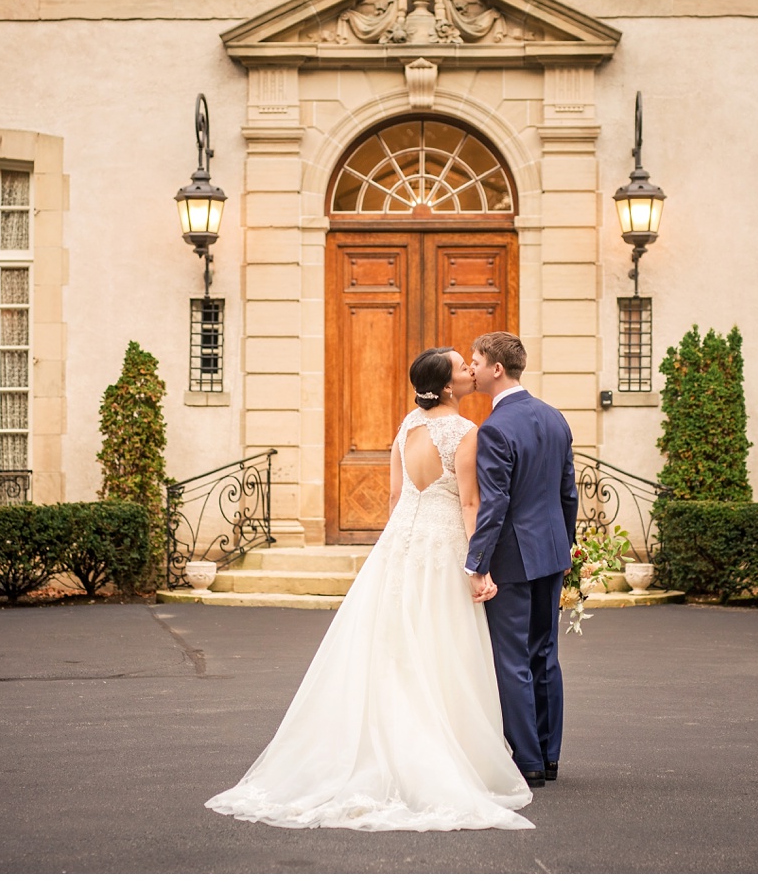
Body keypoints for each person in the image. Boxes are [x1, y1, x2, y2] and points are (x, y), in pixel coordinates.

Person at [205, 347, 534, 831]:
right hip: (441, 549)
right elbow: (469, 504)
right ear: (447, 386)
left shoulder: (405, 426)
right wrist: (476, 567)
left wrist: (399, 544)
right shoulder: (466, 433)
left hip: (400, 546)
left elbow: (398, 496)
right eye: (463, 367)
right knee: (442, 649)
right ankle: (442, 755)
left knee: (391, 647)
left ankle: (375, 744)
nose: (470, 371)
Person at [465, 331, 578, 790]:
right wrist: (566, 547)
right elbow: (568, 492)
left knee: (510, 658)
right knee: (545, 654)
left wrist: (477, 563)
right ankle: (550, 757)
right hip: (551, 552)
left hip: (511, 557)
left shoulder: (494, 429)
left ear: (496, 368)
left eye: (475, 361)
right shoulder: (555, 418)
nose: (470, 368)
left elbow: (494, 504)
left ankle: (528, 762)